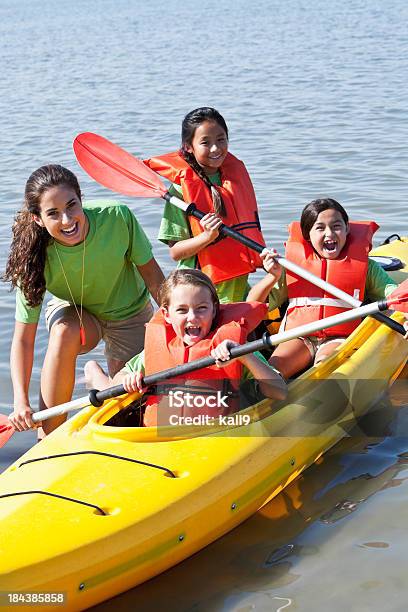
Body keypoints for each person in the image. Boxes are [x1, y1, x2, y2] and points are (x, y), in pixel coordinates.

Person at [4, 164, 164, 435]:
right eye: (53, 214)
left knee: (126, 405)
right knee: (64, 331)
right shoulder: (32, 254)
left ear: (81, 200)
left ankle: (95, 375)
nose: (67, 220)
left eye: (71, 206)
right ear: (38, 219)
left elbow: (155, 280)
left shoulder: (116, 217)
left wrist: (178, 325)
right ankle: (47, 438)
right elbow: (23, 339)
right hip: (75, 315)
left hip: (130, 313)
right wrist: (21, 401)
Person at [85, 269, 287, 427]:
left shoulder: (234, 345)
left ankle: (94, 373)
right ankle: (93, 373)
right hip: (159, 435)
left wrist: (245, 356)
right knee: (114, 391)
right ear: (166, 314)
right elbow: (120, 377)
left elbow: (279, 392)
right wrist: (127, 379)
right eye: (182, 310)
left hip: (216, 431)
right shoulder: (157, 349)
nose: (192, 317)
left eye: (202, 308)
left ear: (214, 310)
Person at [247, 198, 402, 379]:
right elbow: (252, 306)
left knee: (323, 369)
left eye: (336, 226)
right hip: (299, 336)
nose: (329, 234)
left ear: (347, 229)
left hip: (338, 338)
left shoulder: (367, 267)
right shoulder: (290, 267)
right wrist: (271, 276)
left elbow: (393, 295)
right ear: (307, 234)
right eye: (320, 228)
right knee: (270, 372)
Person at [144, 107, 265, 304]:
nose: (216, 148)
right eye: (205, 143)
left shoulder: (234, 178)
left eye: (221, 139)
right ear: (189, 146)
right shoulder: (180, 191)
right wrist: (207, 237)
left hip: (237, 283)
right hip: (199, 290)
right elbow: (175, 252)